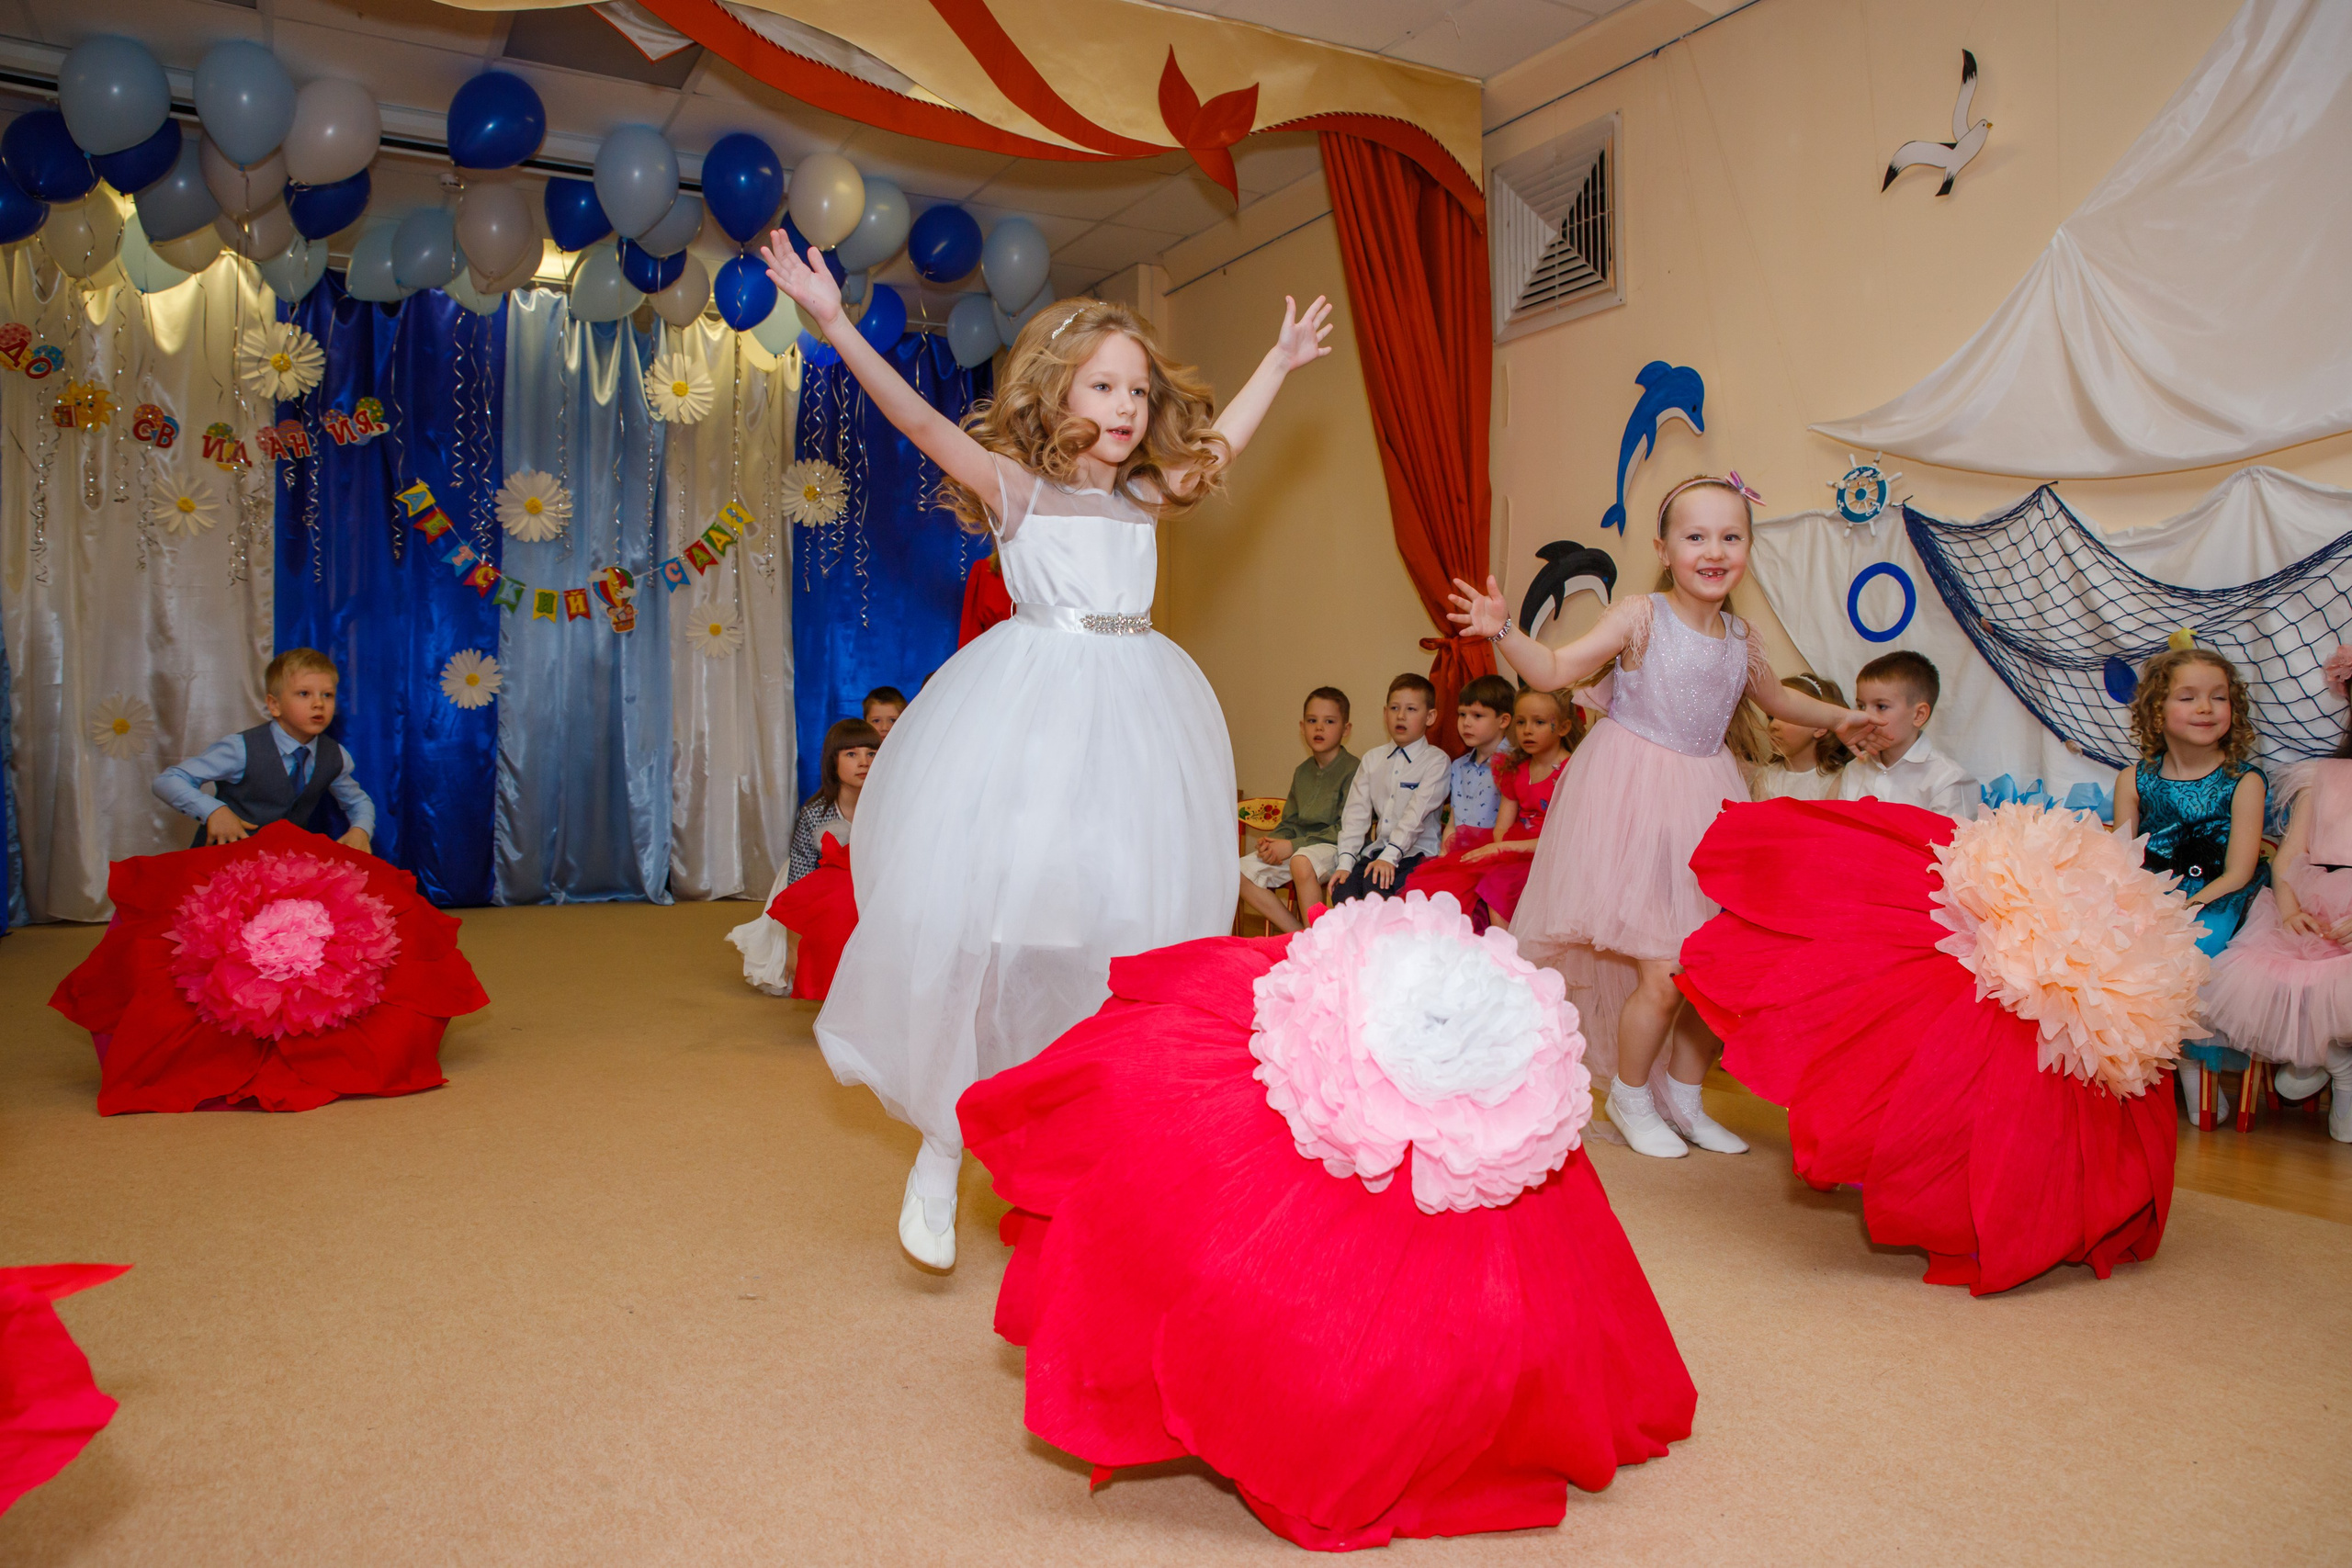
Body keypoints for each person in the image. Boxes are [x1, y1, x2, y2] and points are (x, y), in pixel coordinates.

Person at [763, 230, 1336, 1269]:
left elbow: (1220, 452)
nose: (1125, 407)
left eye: (1137, 391)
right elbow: (918, 417)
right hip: (1029, 726)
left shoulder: (1143, 497)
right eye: (1105, 386)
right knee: (995, 930)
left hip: (1135, 731)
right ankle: (942, 1144)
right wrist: (835, 321)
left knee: (1120, 938)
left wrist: (1278, 365)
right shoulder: (1017, 491)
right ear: (1059, 394)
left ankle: (1084, 1158)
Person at [1448, 473, 1878, 1159]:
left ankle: (1683, 1092)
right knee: (1664, 968)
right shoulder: (1639, 616)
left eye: (1731, 536)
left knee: (1709, 968)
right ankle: (1630, 1092)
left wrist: (1839, 715)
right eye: (1696, 535)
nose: (1715, 550)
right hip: (1629, 798)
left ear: (1747, 547)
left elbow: (1783, 701)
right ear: (1665, 546)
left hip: (1706, 798)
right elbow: (1556, 669)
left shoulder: (1742, 637)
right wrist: (1504, 629)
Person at [2112, 644, 2267, 1128]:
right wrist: (2145, 906)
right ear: (2156, 711)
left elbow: (2239, 871)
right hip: (2153, 894)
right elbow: (2123, 859)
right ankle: (2147, 1068)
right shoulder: (2133, 778)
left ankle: (2197, 1067)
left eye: (2218, 698)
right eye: (2188, 697)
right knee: (2116, 952)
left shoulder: (2242, 780)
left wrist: (2187, 907)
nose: (2205, 708)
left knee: (2197, 952)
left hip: (2219, 898)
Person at [153, 648, 375, 852]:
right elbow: (168, 780)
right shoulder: (240, 749)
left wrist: (361, 830)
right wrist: (213, 810)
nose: (319, 704)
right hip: (221, 867)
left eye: (327, 695)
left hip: (282, 869)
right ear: (274, 705)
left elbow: (358, 801)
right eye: (304, 694)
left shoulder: (335, 756)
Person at [728, 719, 879, 998]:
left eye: (871, 753)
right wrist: (794, 948)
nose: (864, 762)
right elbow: (799, 886)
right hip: (824, 903)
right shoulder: (813, 815)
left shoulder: (888, 809)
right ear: (832, 762)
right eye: (851, 754)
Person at [1404, 686, 1572, 929]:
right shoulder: (1514, 769)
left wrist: (1505, 849)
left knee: (1499, 884)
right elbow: (1501, 829)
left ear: (1563, 728)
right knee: (1450, 881)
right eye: (1521, 722)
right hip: (1513, 850)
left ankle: (1507, 951)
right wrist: (1503, 851)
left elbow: (1565, 838)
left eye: (1539, 722)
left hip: (1555, 852)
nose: (1527, 730)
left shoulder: (1571, 771)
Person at [1236, 687, 1359, 934]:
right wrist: (1274, 843)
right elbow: (1290, 822)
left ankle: (1320, 941)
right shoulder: (1302, 771)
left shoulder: (1355, 769)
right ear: (1302, 727)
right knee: (1237, 872)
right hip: (1300, 847)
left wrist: (1292, 846)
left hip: (1338, 847)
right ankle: (1299, 935)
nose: (1319, 728)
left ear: (1346, 729)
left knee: (1302, 862)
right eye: (1312, 721)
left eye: (1329, 721)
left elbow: (1348, 829)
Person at [1326, 674, 1450, 904]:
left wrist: (1390, 856)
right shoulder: (1372, 759)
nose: (1401, 716)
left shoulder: (1436, 761)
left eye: (1411, 709)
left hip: (1417, 855)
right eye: (1394, 708)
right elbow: (1355, 815)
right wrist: (1345, 863)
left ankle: (1384, 940)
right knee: (1343, 892)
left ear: (1430, 717)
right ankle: (1354, 940)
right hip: (1378, 852)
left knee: (1376, 887)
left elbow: (1415, 816)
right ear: (1385, 714)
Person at [1837, 652, 1976, 818]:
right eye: (1861, 706)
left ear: (1919, 715)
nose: (1865, 717)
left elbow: (1953, 843)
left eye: (1881, 706)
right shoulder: (1855, 769)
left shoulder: (1947, 780)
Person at [1438, 674, 1519, 853]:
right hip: (1458, 854)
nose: (1466, 723)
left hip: (1493, 854)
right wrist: (1443, 857)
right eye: (1462, 714)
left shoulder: (1514, 764)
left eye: (1477, 715)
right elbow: (1452, 821)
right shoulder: (1458, 766)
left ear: (1503, 721)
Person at [1757, 672, 1853, 801]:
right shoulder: (1766, 778)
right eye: (1771, 717)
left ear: (1820, 726)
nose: (1773, 725)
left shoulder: (1835, 781)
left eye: (1786, 717)